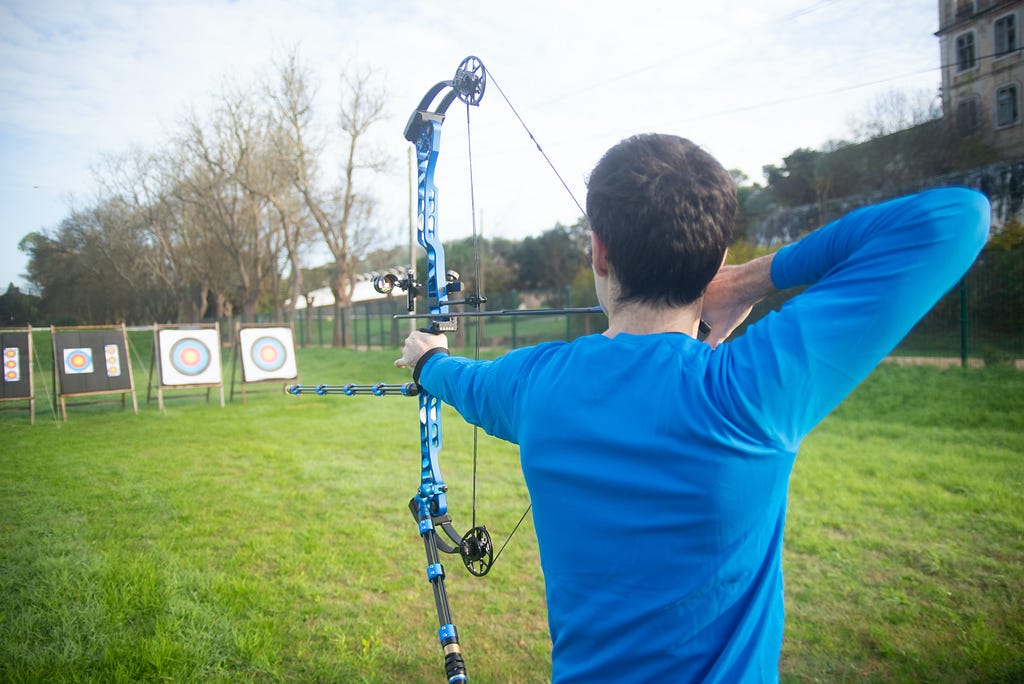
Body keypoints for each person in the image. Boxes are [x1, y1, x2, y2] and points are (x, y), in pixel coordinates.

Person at [394, 133, 990, 682]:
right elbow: (956, 219)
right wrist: (755, 279)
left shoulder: (536, 383)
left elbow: (462, 381)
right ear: (716, 258)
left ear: (599, 252)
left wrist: (427, 359)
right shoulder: (747, 393)